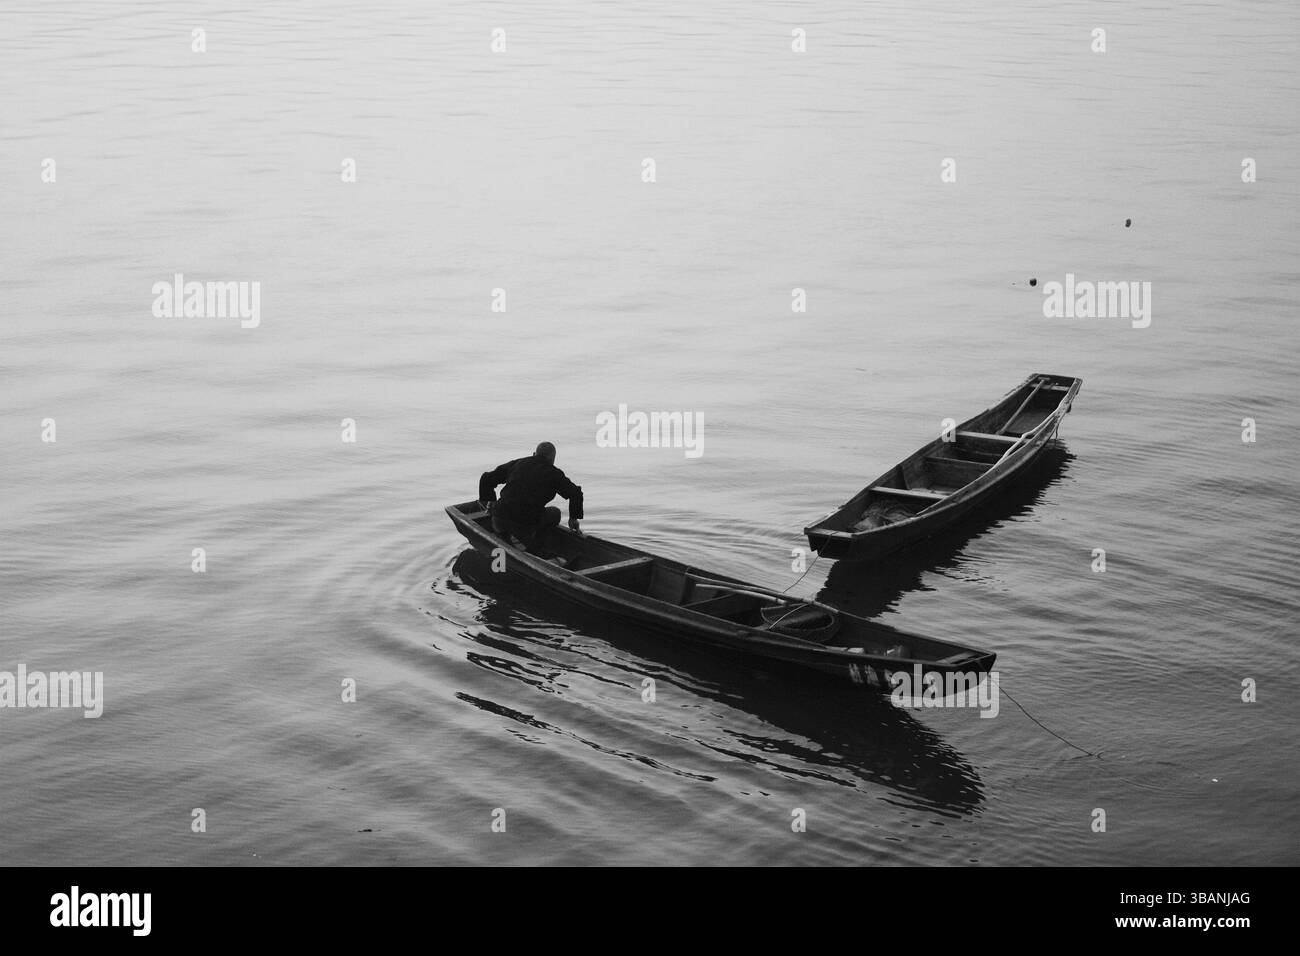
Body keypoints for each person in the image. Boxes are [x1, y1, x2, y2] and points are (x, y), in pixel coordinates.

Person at [479, 442, 583, 553]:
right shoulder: (554, 473)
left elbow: (486, 478)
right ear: (552, 459)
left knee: (505, 517)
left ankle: (504, 537)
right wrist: (573, 518)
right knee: (555, 513)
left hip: (500, 516)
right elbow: (576, 493)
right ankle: (534, 549)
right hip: (526, 522)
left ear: (534, 454)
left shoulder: (518, 463)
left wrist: (490, 502)